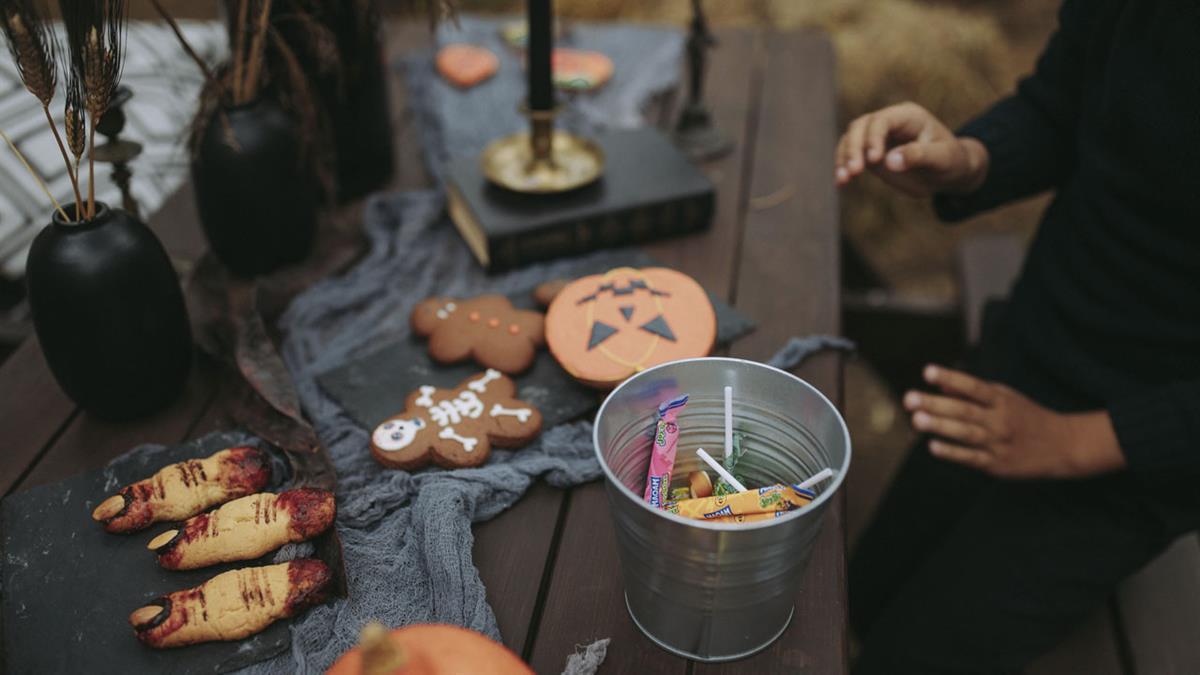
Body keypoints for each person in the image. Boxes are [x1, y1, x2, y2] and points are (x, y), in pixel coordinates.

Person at [834, 1, 1198, 672]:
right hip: (1038, 341)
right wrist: (969, 157)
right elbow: (1062, 104)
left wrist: (1073, 442)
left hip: (1148, 450)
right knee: (862, 594)